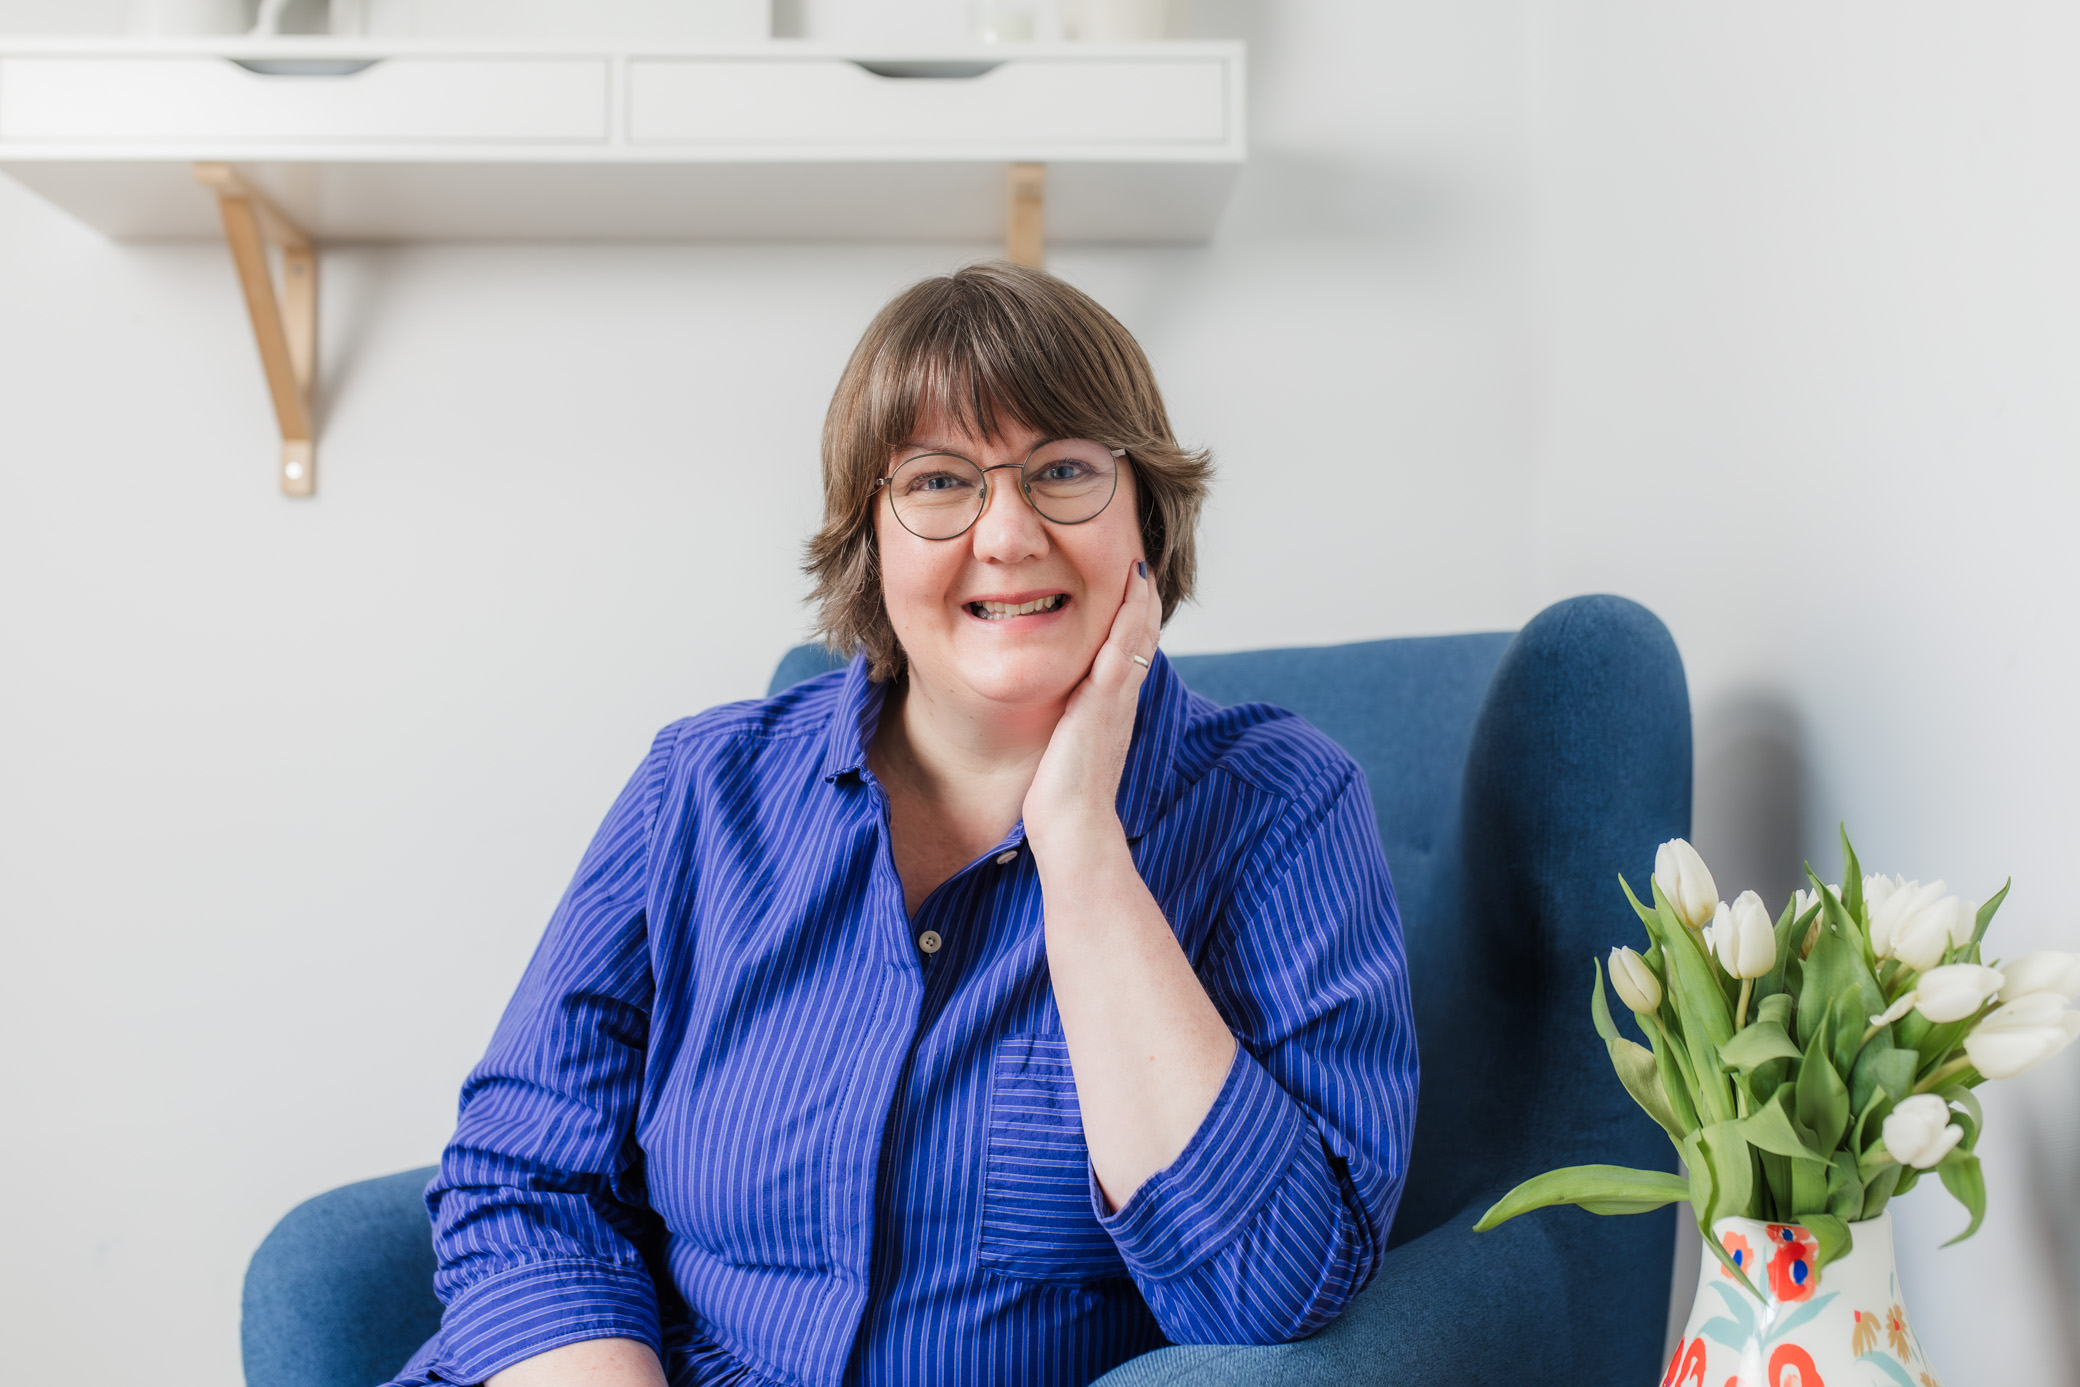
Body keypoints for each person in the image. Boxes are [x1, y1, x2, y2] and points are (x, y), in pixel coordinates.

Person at [383, 263, 1418, 1387]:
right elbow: (523, 1175)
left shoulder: (1279, 806)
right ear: (870, 541)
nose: (1008, 532)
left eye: (1062, 469)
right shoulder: (700, 785)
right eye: (938, 481)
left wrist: (1079, 845)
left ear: (1148, 521)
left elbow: (1270, 1288)